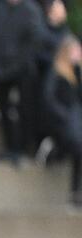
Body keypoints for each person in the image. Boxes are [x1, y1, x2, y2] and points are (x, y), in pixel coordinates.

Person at [0, 0, 45, 163]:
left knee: (24, 109)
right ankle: (11, 147)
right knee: (2, 104)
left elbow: (34, 41)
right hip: (5, 70)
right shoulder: (2, 9)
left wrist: (18, 64)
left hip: (23, 71)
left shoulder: (30, 10)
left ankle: (22, 148)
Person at [43, 35, 82, 205]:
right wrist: (63, 115)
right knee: (76, 148)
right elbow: (48, 97)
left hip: (75, 121)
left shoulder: (77, 73)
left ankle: (76, 191)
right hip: (63, 122)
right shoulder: (57, 72)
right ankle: (52, 151)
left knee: (77, 152)